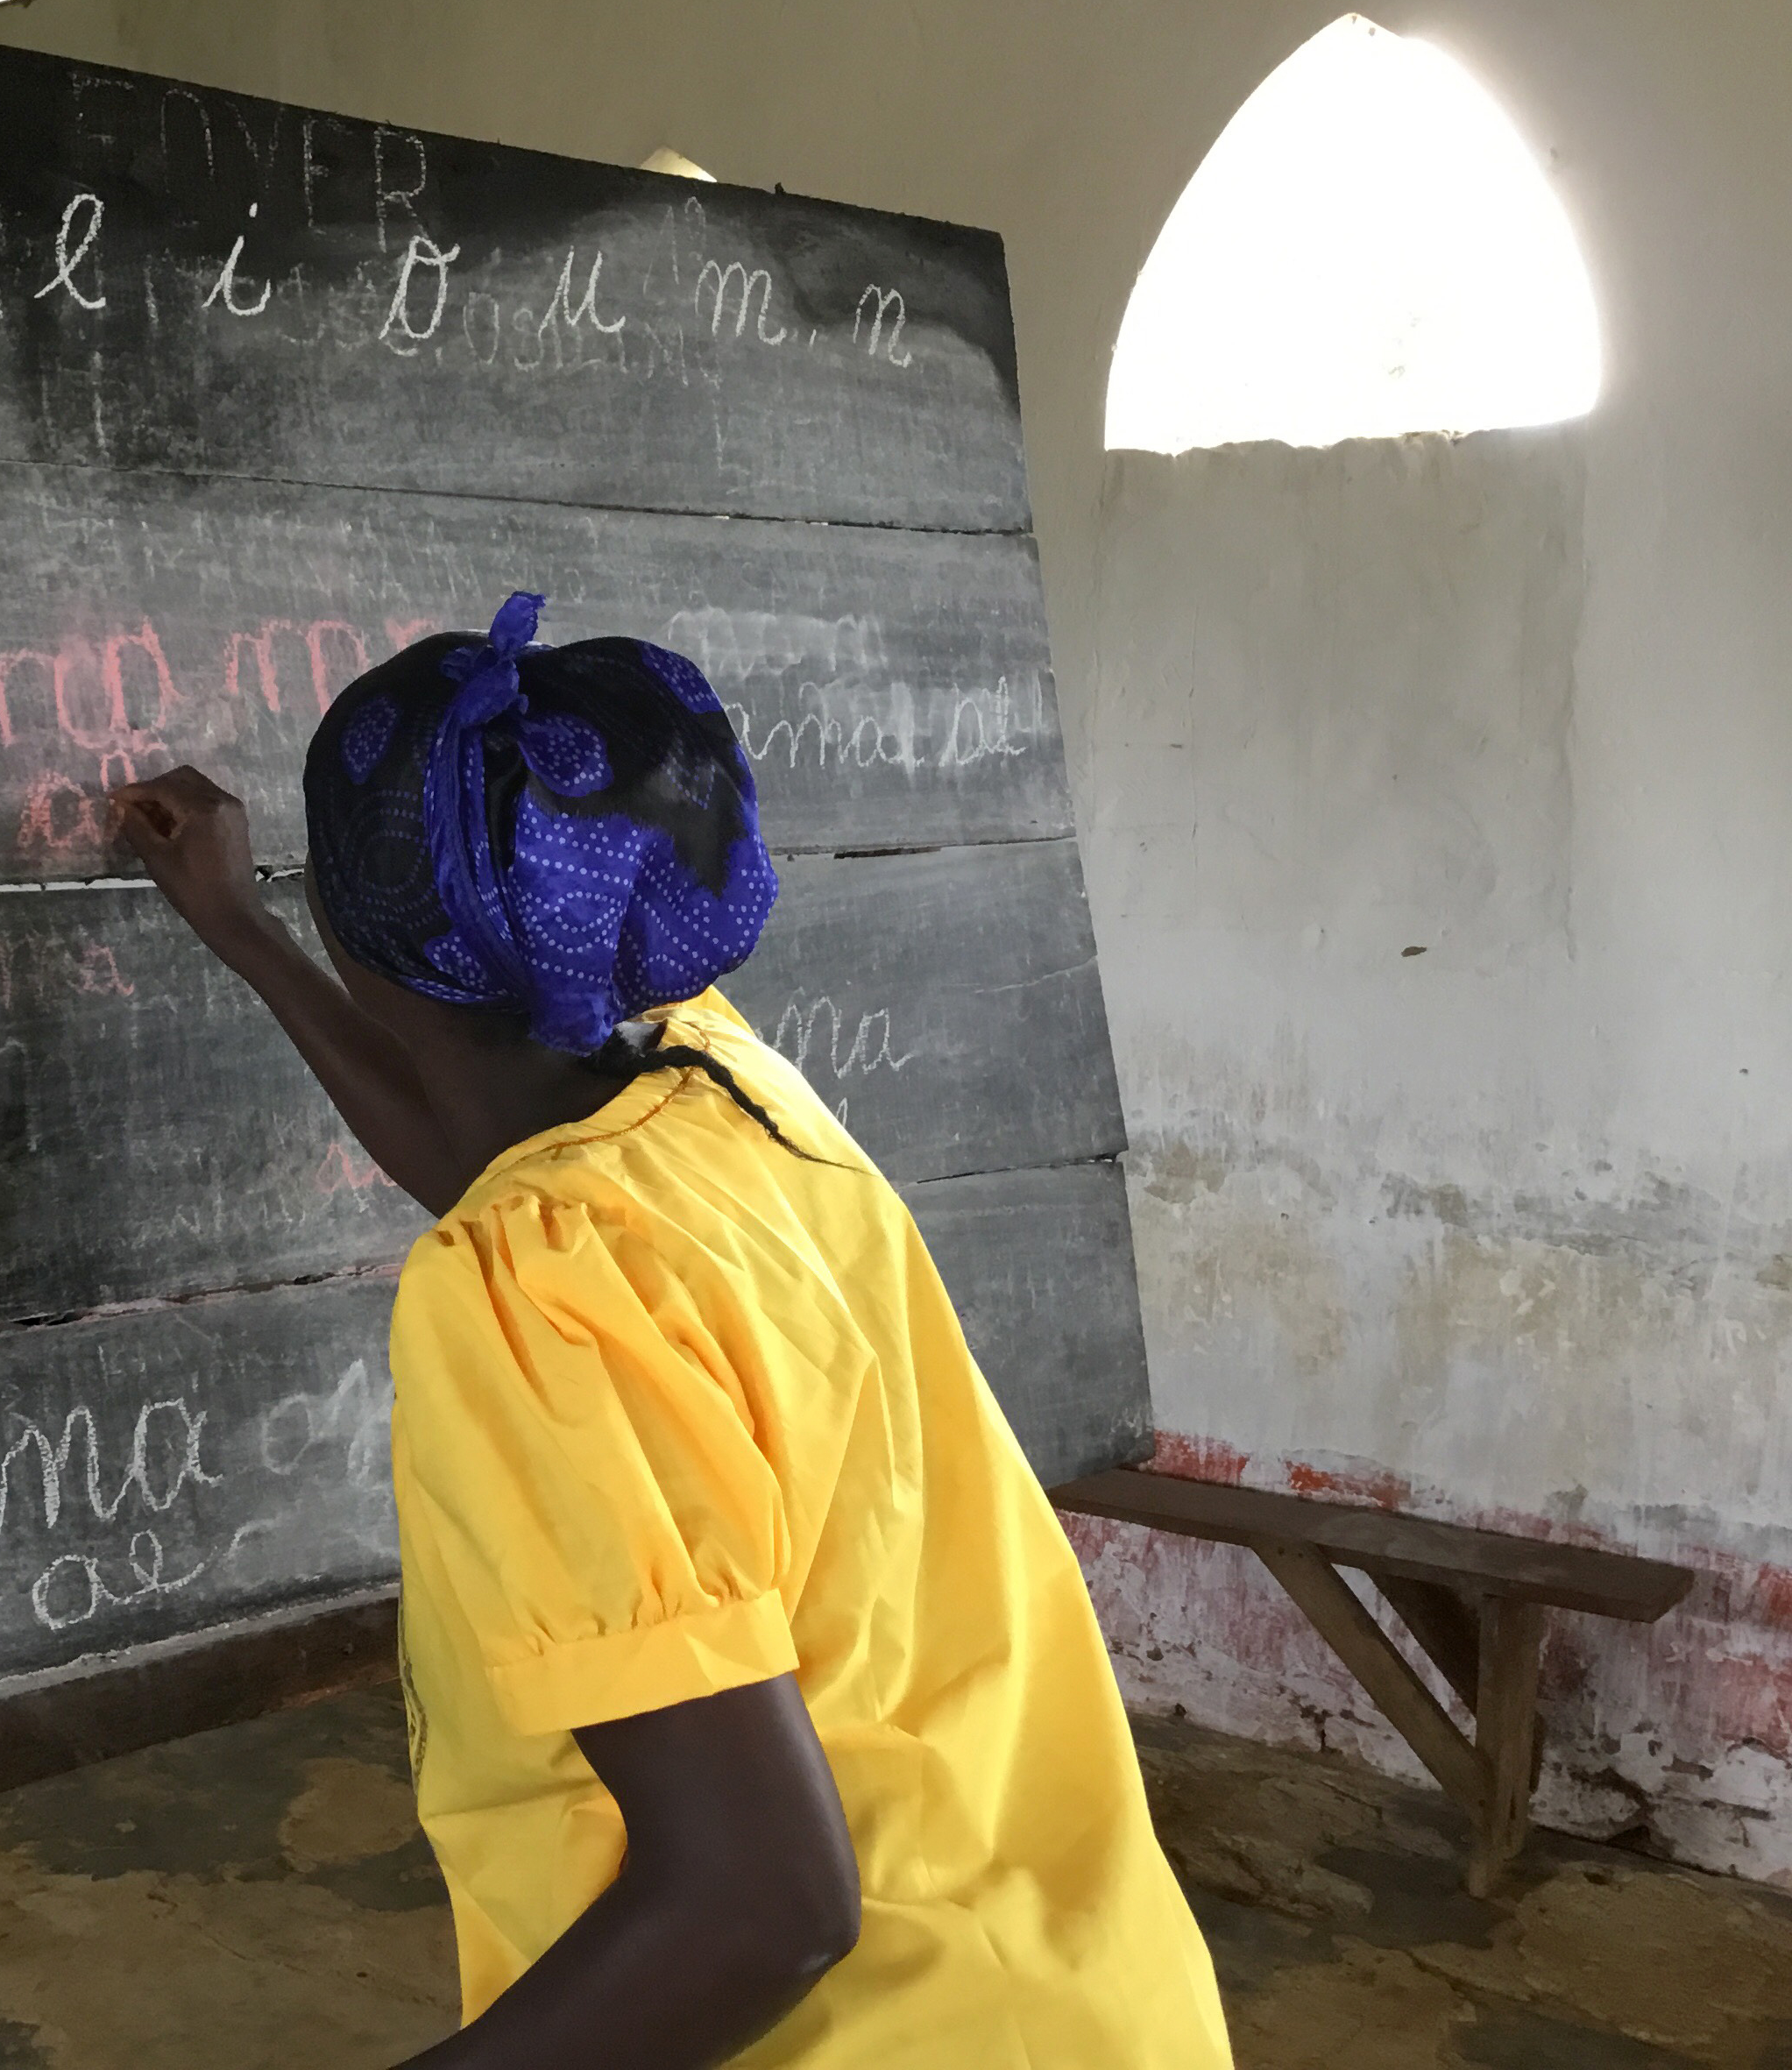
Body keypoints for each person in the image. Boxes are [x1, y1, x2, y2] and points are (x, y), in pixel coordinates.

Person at [111, 593, 1230, 2068]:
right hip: (1068, 1984)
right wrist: (246, 933)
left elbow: (757, 1910)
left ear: (372, 922)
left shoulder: (535, 1292)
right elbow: (491, 1150)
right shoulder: (711, 1079)